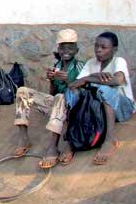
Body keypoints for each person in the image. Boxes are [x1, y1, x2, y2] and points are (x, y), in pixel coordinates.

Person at [12, 29, 84, 167]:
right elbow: (52, 94)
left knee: (60, 97)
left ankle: (53, 146)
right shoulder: (57, 66)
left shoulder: (80, 66)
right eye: (62, 48)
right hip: (58, 106)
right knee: (22, 91)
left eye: (70, 48)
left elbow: (83, 94)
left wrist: (69, 81)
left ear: (76, 50)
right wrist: (51, 80)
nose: (66, 51)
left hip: (75, 110)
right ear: (58, 49)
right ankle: (23, 138)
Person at [67, 32, 135, 165]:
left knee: (105, 90)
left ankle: (109, 140)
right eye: (96, 46)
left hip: (122, 108)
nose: (98, 50)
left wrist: (88, 79)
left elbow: (117, 80)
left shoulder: (118, 61)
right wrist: (91, 76)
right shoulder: (91, 63)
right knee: (72, 92)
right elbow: (74, 84)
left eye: (104, 47)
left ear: (114, 49)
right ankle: (70, 138)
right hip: (99, 110)